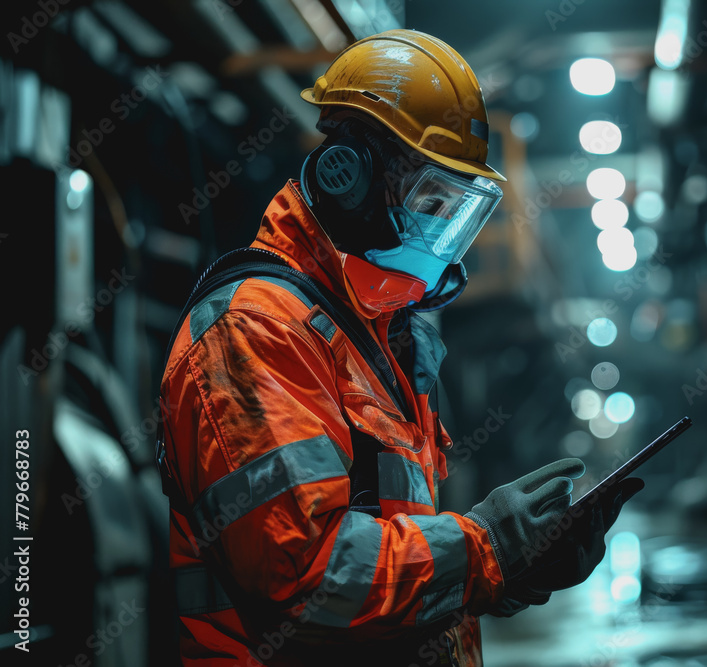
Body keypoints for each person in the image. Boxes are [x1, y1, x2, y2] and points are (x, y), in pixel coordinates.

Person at [157, 28, 644, 666]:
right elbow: (305, 580)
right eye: (429, 200)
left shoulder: (378, 339)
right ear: (346, 174)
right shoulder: (254, 331)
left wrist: (519, 570)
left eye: (455, 209)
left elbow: (393, 566)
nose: (440, 229)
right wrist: (485, 550)